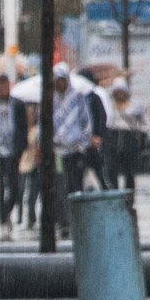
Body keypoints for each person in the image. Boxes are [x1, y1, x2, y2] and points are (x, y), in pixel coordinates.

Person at [52, 63, 92, 237]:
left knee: (75, 186)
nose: (60, 83)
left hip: (75, 151)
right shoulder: (50, 99)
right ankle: (63, 222)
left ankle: (77, 221)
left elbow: (86, 122)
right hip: (57, 152)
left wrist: (83, 145)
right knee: (60, 187)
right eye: (57, 80)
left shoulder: (77, 97)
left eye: (62, 80)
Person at [0, 75, 28, 241]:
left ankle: (6, 213)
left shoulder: (17, 104)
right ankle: (2, 219)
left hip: (12, 152)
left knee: (15, 188)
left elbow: (23, 129)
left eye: (4, 86)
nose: (2, 90)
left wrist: (21, 149)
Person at [103, 78, 149, 192]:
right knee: (112, 170)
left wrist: (141, 137)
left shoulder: (136, 106)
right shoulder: (108, 106)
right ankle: (114, 195)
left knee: (129, 172)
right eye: (117, 92)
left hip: (129, 140)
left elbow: (145, 124)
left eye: (121, 91)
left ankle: (129, 198)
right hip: (113, 139)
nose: (119, 95)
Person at [18, 103, 42, 229]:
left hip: (34, 163)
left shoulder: (38, 130)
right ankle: (20, 216)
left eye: (33, 113)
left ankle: (31, 217)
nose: (30, 115)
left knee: (33, 193)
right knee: (20, 191)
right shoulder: (21, 128)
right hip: (22, 163)